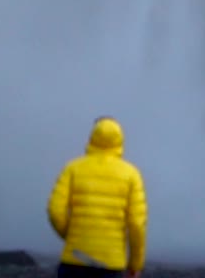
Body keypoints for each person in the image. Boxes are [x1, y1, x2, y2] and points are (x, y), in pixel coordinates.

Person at [47, 116, 148, 278]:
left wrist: (72, 236)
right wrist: (135, 264)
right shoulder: (131, 174)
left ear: (92, 137)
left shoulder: (73, 168)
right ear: (120, 140)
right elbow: (137, 223)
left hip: (75, 259)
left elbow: (55, 211)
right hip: (111, 263)